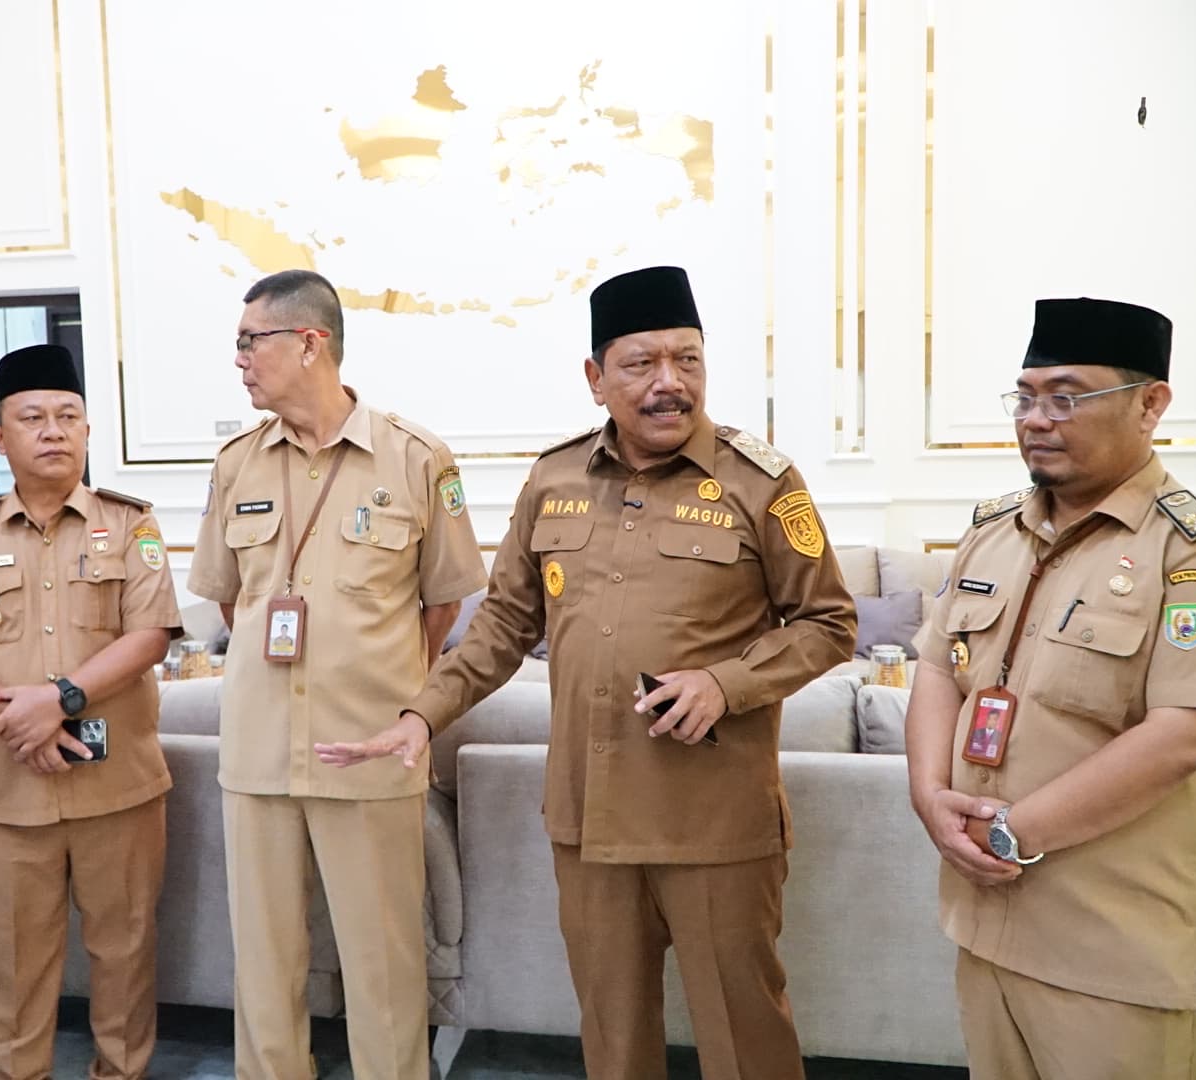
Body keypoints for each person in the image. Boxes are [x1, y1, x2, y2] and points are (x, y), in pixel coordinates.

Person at [316, 266, 858, 1080]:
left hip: (712, 820)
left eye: (688, 360)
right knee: (611, 1035)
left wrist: (725, 684)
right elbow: (504, 622)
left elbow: (829, 622)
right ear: (596, 378)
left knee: (743, 1034)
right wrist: (422, 714)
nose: (670, 382)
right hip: (590, 821)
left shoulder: (761, 481)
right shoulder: (555, 479)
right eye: (642, 364)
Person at [905, 297, 1196, 1080]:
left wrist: (1013, 832)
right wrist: (929, 796)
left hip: (1117, 949)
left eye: (1067, 397)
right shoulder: (992, 531)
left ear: (1150, 404)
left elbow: (1185, 735)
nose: (1037, 419)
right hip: (987, 924)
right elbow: (938, 667)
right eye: (1025, 397)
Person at [188, 269, 486, 1079]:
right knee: (264, 964)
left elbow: (441, 608)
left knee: (383, 964)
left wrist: (375, 681)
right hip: (258, 754)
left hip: (368, 751)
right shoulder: (236, 464)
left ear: (309, 343)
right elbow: (232, 603)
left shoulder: (417, 458)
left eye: (251, 342)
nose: (240, 360)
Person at [0, 345, 183, 1080]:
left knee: (125, 953)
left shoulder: (131, 525)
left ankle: (120, 1073)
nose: (54, 431)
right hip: (11, 793)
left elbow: (150, 636)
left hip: (119, 788)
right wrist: (18, 718)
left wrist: (58, 701)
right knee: (16, 959)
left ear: (89, 430)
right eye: (32, 417)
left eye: (68, 416)